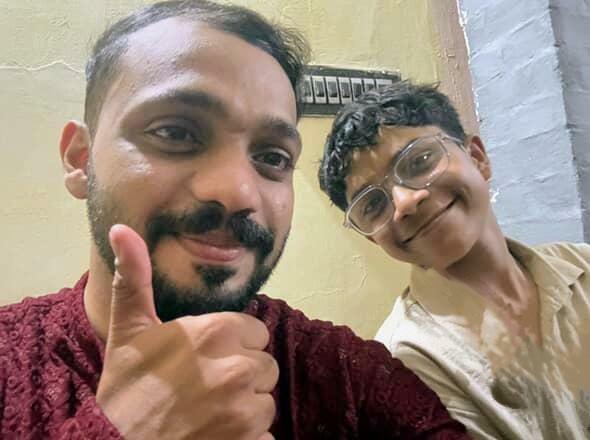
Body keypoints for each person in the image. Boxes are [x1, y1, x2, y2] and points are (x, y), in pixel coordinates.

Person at [0, 2, 471, 439]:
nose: (237, 193)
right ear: (80, 159)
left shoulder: (347, 380)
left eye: (272, 157)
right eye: (175, 132)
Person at [318, 80, 590, 439]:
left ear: (477, 157)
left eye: (419, 161)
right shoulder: (405, 363)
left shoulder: (582, 264)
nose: (404, 202)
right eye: (373, 204)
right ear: (372, 237)